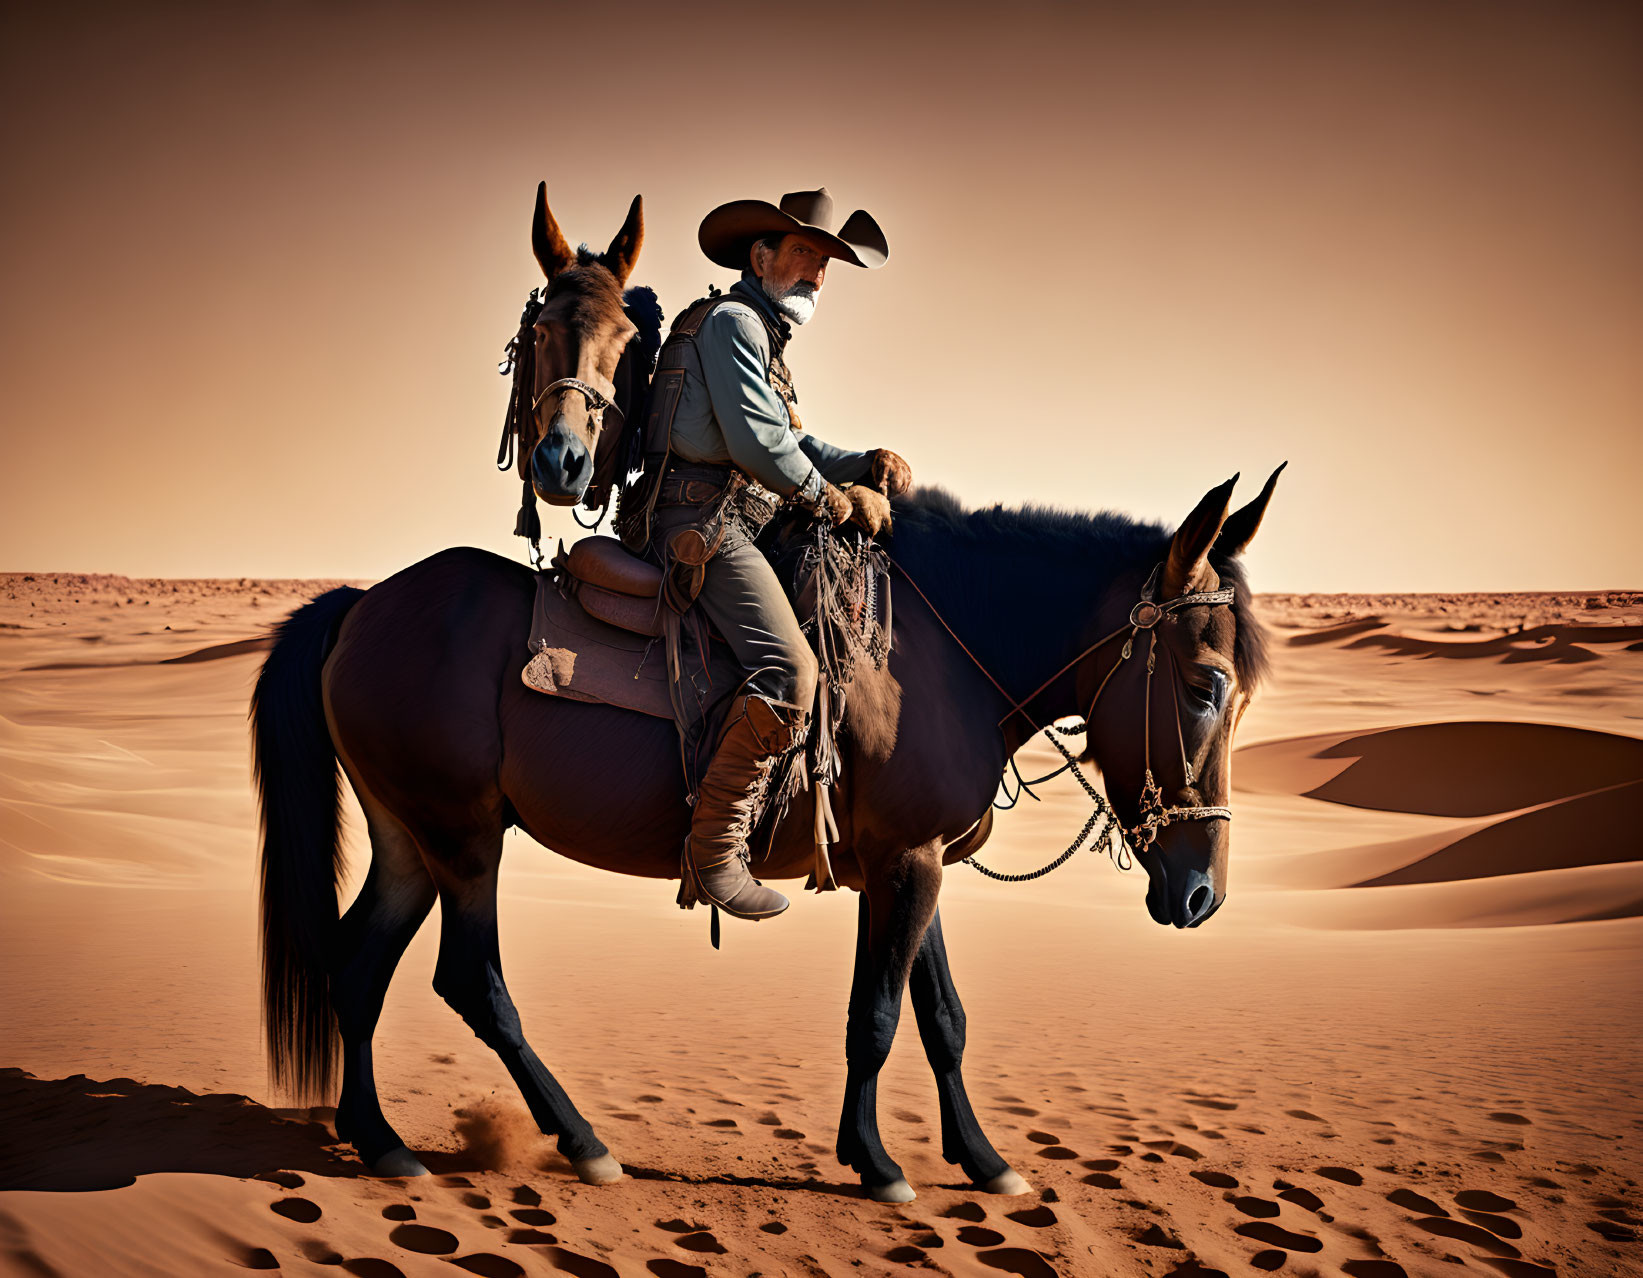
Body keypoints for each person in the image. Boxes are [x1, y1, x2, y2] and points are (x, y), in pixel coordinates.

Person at [645, 188, 913, 922]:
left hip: (738, 514)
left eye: (825, 262)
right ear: (759, 256)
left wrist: (862, 462)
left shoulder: (762, 335)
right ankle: (717, 850)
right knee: (790, 669)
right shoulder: (733, 322)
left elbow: (791, 438)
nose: (816, 274)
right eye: (803, 254)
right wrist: (829, 498)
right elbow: (756, 444)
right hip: (700, 520)